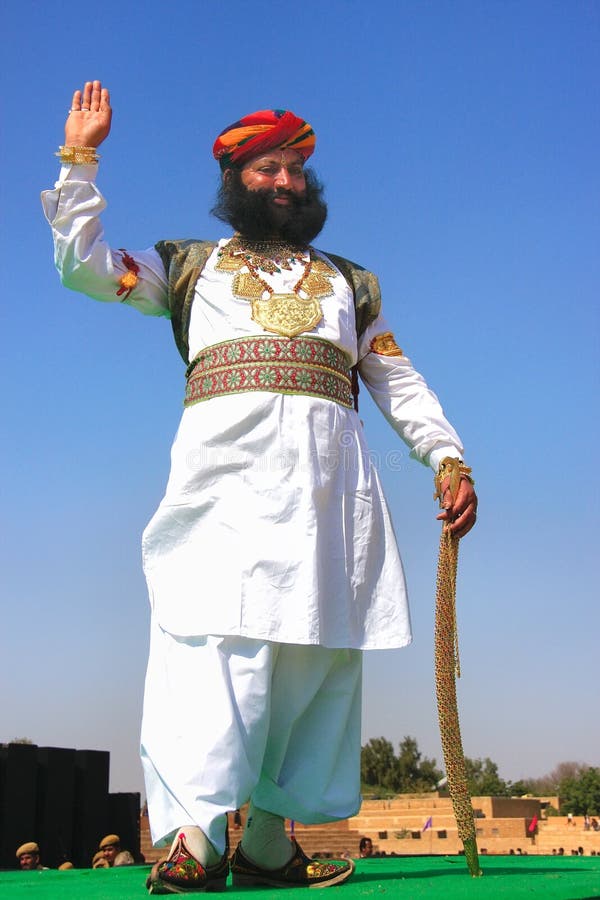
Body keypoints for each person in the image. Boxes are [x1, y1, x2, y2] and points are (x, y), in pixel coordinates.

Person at [42, 81, 478, 894]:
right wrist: (81, 158)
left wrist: (447, 458)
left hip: (330, 502)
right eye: (267, 169)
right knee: (209, 653)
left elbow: (398, 383)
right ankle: (194, 843)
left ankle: (271, 843)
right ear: (235, 181)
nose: (285, 182)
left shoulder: (353, 285)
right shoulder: (188, 268)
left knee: (315, 667)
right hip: (222, 497)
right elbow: (83, 269)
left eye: (295, 171)